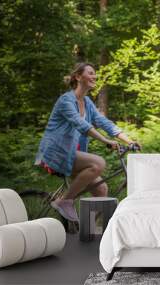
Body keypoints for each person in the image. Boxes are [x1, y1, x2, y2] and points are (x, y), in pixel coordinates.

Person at [35, 62, 138, 222]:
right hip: (57, 151)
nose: (94, 76)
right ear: (78, 76)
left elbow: (105, 123)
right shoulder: (66, 101)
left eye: (94, 73)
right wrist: (106, 140)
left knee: (101, 189)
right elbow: (81, 124)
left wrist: (129, 141)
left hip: (72, 153)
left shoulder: (88, 102)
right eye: (90, 73)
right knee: (98, 163)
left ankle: (89, 230)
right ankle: (64, 201)